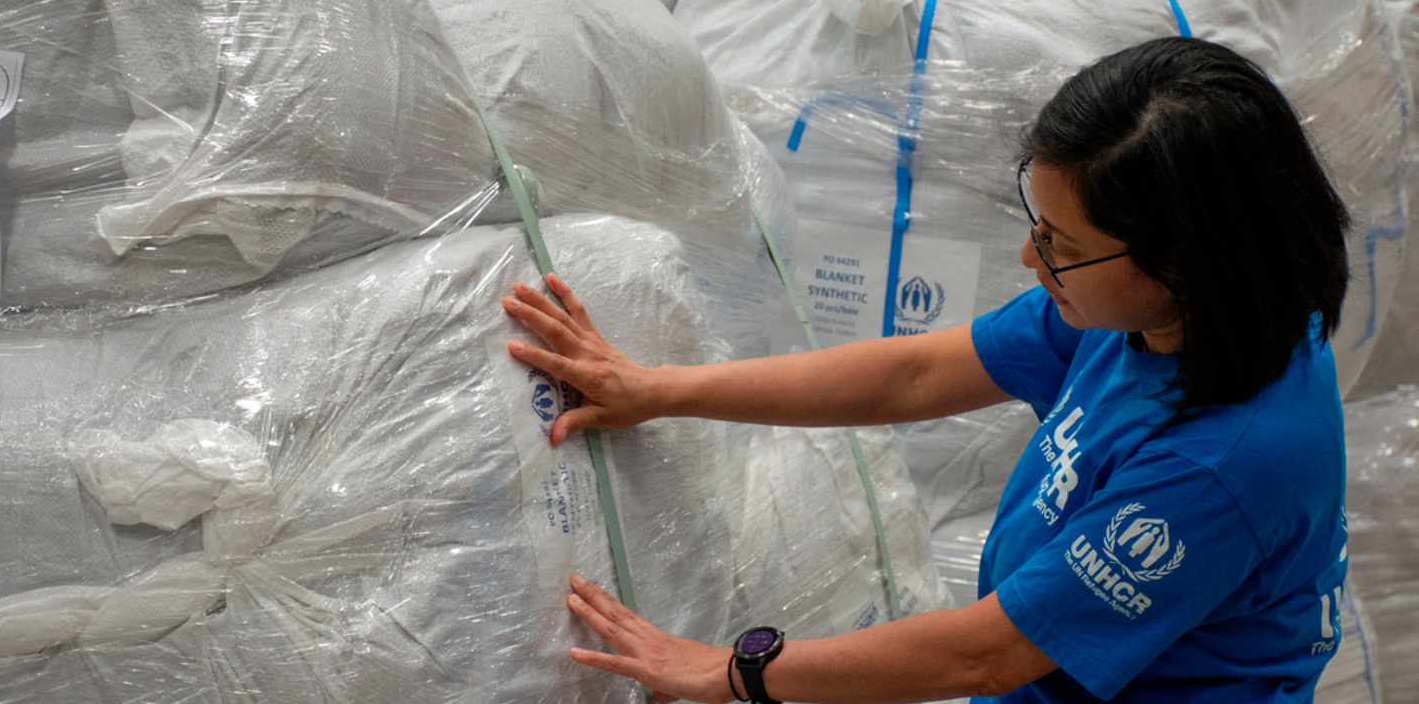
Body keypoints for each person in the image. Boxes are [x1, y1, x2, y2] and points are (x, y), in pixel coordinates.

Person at [500, 37, 1353, 703]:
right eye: (1038, 226)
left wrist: (732, 669)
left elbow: (988, 652)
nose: (1030, 257)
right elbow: (912, 374)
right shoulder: (1157, 319)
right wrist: (657, 390)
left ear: (1185, 261)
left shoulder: (1227, 461)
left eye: (1063, 248)